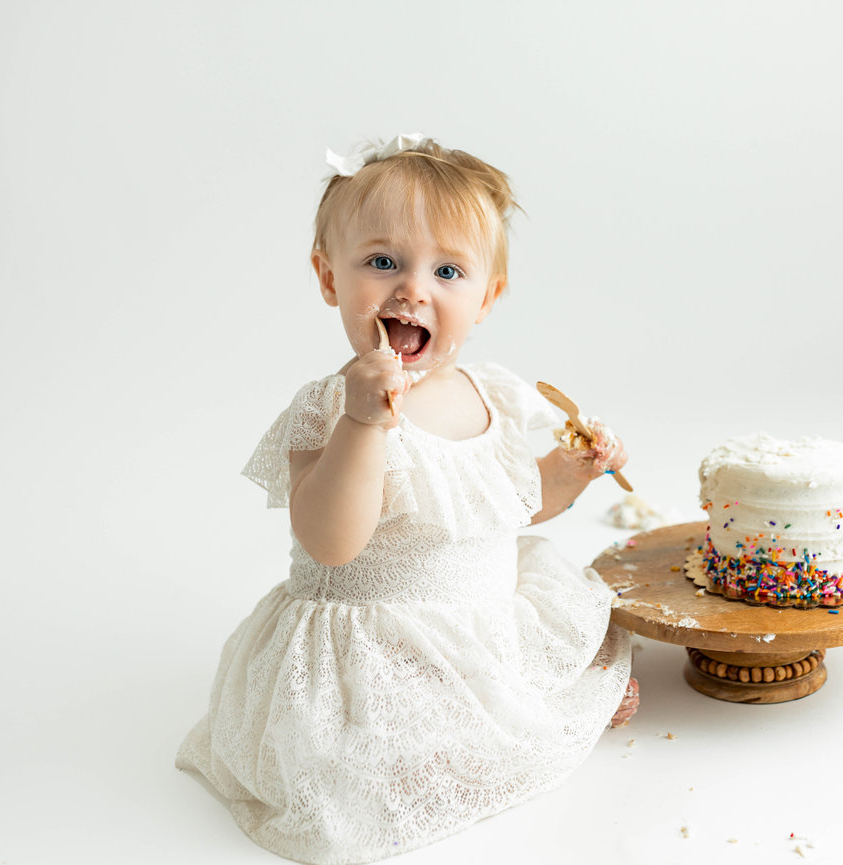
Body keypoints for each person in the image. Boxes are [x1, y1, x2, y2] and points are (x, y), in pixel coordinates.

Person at [176, 134, 638, 865]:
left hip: (471, 624)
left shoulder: (494, 394)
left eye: (447, 270)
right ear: (330, 278)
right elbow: (331, 540)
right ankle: (468, 744)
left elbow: (512, 505)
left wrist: (572, 472)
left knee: (543, 672)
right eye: (382, 261)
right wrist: (363, 424)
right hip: (372, 643)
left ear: (486, 297)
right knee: (359, 760)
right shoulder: (328, 406)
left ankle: (537, 714)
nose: (413, 289)